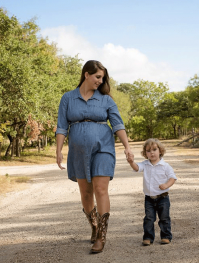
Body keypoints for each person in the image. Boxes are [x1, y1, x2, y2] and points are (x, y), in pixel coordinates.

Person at [55, 60, 133, 253]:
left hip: (103, 148)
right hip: (78, 151)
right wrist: (58, 150)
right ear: (86, 75)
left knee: (100, 189)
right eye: (98, 77)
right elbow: (62, 126)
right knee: (86, 192)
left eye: (102, 78)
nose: (100, 81)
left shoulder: (106, 100)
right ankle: (94, 225)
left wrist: (127, 146)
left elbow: (117, 124)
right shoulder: (68, 98)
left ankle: (101, 236)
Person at [127, 138, 177, 246]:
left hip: (163, 198)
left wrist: (166, 185)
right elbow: (136, 168)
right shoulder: (145, 164)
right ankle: (148, 238)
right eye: (148, 151)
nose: (152, 153)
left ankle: (166, 236)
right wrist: (131, 162)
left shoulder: (165, 166)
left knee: (164, 218)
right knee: (149, 218)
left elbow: (172, 178)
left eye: (154, 149)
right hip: (149, 198)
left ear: (160, 151)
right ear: (145, 153)